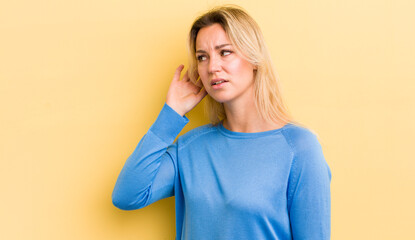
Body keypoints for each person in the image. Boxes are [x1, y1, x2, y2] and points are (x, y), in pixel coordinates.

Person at [112, 4, 331, 240]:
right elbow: (127, 195)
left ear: (254, 59)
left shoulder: (298, 148)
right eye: (202, 58)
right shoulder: (190, 148)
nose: (212, 67)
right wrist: (171, 114)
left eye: (225, 52)